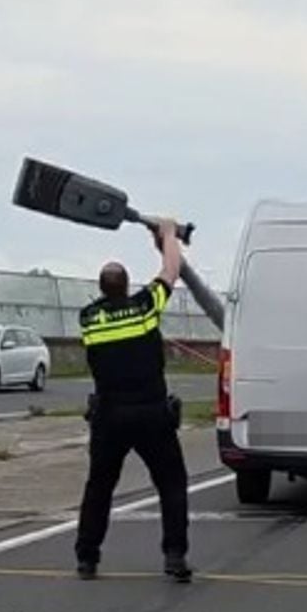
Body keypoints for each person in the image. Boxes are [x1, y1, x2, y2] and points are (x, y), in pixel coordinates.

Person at [75, 219, 192, 582]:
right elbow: (171, 271)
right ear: (126, 285)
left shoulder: (89, 319)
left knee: (99, 487)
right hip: (151, 413)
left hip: (109, 416)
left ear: (101, 288)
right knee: (171, 484)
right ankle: (174, 555)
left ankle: (87, 558)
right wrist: (168, 236)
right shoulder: (145, 308)